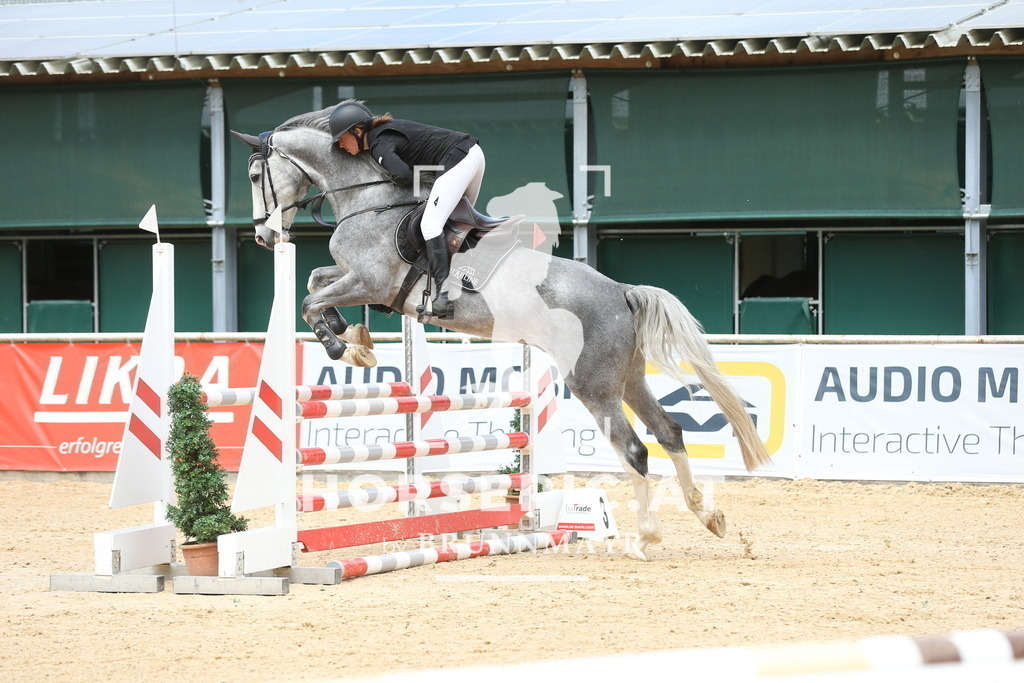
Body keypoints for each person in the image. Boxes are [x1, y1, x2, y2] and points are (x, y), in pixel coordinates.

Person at [328, 100, 485, 320]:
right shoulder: (382, 136)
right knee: (453, 225)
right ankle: (466, 273)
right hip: (470, 155)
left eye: (341, 138)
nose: (340, 145)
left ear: (357, 130)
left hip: (459, 158)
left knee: (431, 225)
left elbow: (403, 175)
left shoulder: (378, 144)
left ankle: (444, 296)